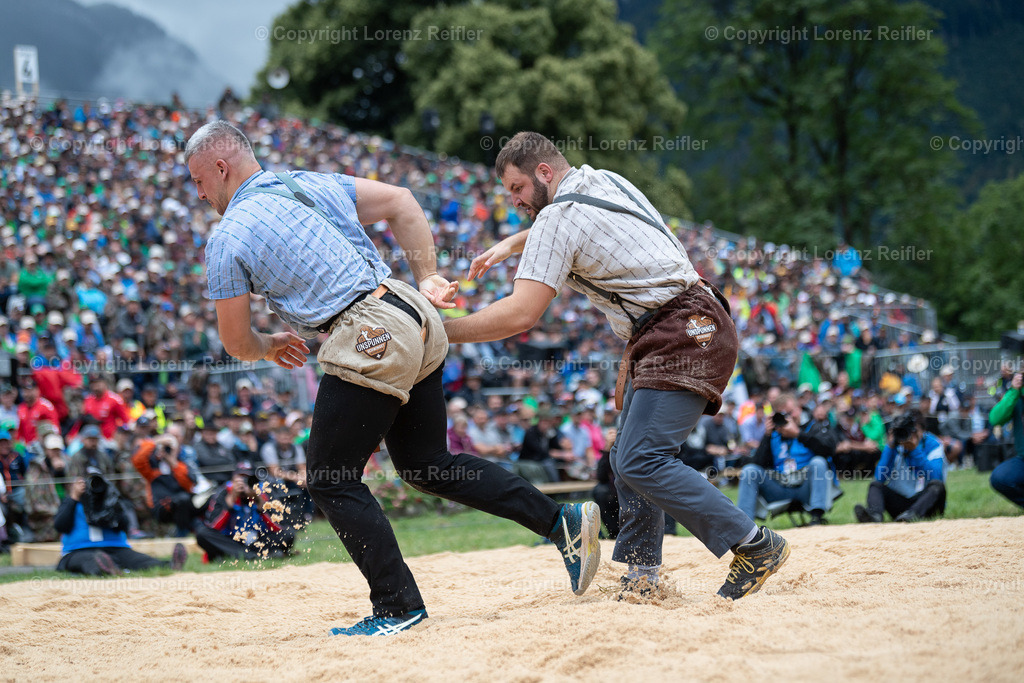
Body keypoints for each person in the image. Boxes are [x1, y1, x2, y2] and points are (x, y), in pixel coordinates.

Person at [185, 120, 600, 637]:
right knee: (427, 464)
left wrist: (268, 347)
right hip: (413, 311)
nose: (198, 194)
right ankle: (560, 522)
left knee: (330, 478)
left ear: (220, 168)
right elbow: (403, 200)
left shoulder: (227, 236)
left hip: (364, 329)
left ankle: (397, 605)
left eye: (198, 180)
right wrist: (427, 274)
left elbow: (235, 342)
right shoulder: (305, 182)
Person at [444, 131, 787, 600]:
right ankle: (643, 575)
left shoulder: (556, 220)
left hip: (681, 329)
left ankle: (754, 544)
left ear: (544, 173)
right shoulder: (603, 180)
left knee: (641, 458)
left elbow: (522, 314)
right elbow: (578, 224)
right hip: (685, 321)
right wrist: (515, 243)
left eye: (518, 189)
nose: (516, 202)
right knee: (627, 458)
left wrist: (440, 332)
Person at [53, 473, 187, 576]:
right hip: (79, 550)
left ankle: (170, 565)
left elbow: (124, 525)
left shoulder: (111, 502)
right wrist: (74, 497)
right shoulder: (71, 503)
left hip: (116, 548)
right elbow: (60, 526)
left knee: (139, 560)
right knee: (91, 560)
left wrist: (111, 500)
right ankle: (107, 568)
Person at [737, 393, 839, 525]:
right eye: (783, 415)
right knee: (749, 471)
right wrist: (767, 436)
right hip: (780, 486)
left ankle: (817, 518)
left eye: (791, 413)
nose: (788, 418)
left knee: (818, 462)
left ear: (799, 409)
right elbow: (759, 464)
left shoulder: (813, 427)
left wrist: (798, 434)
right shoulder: (773, 435)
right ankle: (744, 526)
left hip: (806, 486)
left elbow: (828, 449)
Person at [854, 411, 947, 523]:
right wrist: (890, 447)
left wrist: (914, 450)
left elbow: (936, 476)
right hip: (901, 505)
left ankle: (913, 515)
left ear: (922, 430)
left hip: (926, 504)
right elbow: (880, 477)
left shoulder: (934, 444)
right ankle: (874, 517)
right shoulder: (896, 445)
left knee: (937, 486)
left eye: (912, 431)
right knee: (875, 485)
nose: (907, 435)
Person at [195, 462, 296, 562]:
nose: (244, 483)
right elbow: (214, 526)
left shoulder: (264, 492)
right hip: (231, 541)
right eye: (241, 478)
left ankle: (245, 555)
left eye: (247, 479)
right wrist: (231, 499)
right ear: (233, 479)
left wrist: (258, 501)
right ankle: (253, 556)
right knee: (202, 534)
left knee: (289, 533)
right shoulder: (223, 493)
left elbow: (277, 526)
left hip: (257, 540)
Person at [989, 371, 1024, 509]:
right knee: (1000, 477)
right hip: (1022, 459)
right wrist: (1014, 390)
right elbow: (995, 419)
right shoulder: (1016, 396)